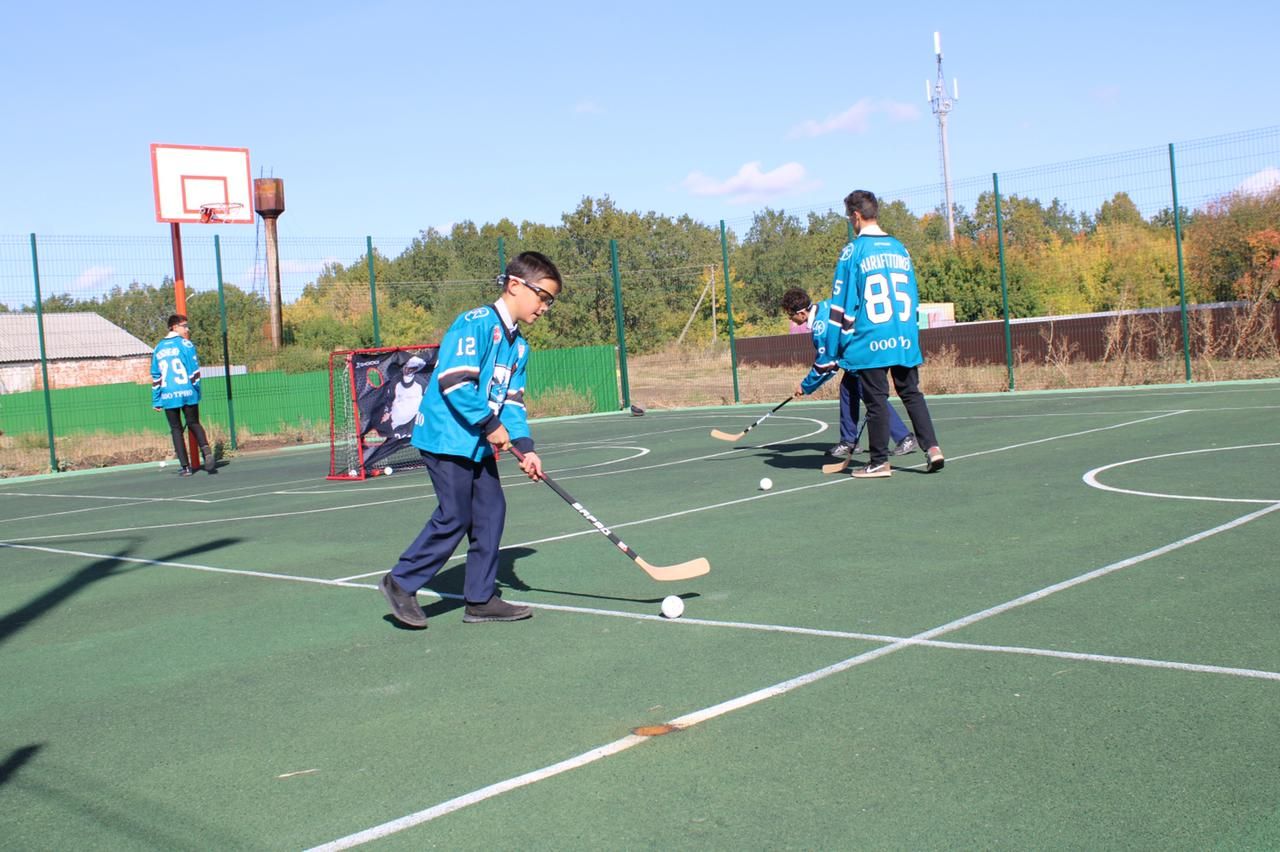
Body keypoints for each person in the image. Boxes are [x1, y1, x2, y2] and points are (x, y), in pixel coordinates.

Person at [379, 251, 561, 629]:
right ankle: (400, 582)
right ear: (514, 285)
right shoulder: (474, 323)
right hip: (446, 437)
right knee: (455, 515)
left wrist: (525, 448)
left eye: (550, 301)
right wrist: (489, 423)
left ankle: (479, 599)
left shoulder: (520, 347)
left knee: (491, 512)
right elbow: (454, 381)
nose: (545, 307)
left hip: (475, 441)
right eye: (542, 296)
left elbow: (511, 401)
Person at [827, 190, 944, 479]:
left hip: (872, 338)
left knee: (876, 399)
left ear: (856, 216)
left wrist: (835, 348)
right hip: (904, 334)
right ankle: (932, 448)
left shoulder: (853, 251)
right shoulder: (900, 248)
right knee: (911, 393)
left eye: (849, 217)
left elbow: (842, 305)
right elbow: (913, 295)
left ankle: (878, 461)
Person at [780, 287, 917, 459]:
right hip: (858, 356)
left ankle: (904, 437)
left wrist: (806, 386)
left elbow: (826, 364)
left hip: (862, 358)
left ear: (801, 313)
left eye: (790, 315)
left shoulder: (821, 327)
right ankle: (848, 441)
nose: (790, 319)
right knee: (848, 389)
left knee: (872, 398)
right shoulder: (826, 306)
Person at [151, 313, 215, 476]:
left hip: (168, 394)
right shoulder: (186, 345)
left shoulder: (158, 348)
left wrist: (156, 400)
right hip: (187, 390)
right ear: (174, 327)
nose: (187, 329)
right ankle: (207, 452)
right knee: (193, 423)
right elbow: (194, 370)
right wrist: (196, 389)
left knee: (176, 429)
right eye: (184, 326)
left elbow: (156, 376)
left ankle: (185, 467)